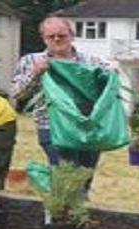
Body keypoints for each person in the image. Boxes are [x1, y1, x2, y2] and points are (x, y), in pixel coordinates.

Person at [10, 16, 106, 169]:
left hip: (88, 127)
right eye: (51, 36)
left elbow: (107, 94)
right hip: (51, 126)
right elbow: (17, 94)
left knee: (84, 176)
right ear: (43, 38)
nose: (57, 39)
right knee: (65, 174)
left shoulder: (93, 62)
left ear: (72, 36)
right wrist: (35, 74)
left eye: (62, 35)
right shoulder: (31, 61)